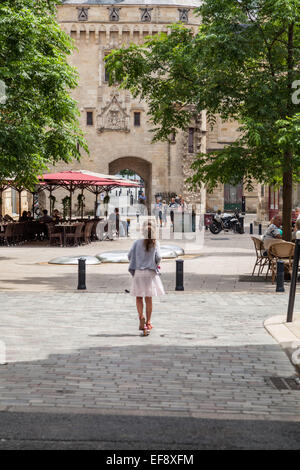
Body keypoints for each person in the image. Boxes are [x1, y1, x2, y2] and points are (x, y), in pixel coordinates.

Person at [128, 221, 165, 332]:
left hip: (139, 272)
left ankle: (141, 317)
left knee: (139, 297)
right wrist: (155, 264)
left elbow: (129, 256)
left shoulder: (136, 243)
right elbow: (159, 257)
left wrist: (137, 261)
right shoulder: (155, 243)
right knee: (148, 298)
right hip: (150, 273)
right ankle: (148, 322)